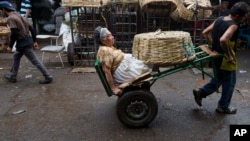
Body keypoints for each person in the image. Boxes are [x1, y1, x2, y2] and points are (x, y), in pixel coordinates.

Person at [192, 2, 249, 114]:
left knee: (219, 78)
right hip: (225, 59)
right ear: (237, 15)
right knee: (229, 82)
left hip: (216, 56)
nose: (244, 18)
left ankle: (201, 92)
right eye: (243, 16)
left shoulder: (220, 19)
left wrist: (213, 45)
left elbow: (205, 33)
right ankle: (223, 106)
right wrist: (228, 55)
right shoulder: (233, 25)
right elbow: (223, 40)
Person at [0, 1, 53, 84]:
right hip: (26, 40)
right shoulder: (18, 15)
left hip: (23, 43)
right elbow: (31, 28)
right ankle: (13, 76)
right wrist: (34, 40)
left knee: (35, 60)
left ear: (3, 9)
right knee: (16, 57)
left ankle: (48, 76)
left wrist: (10, 46)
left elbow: (14, 33)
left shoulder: (11, 18)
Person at [94, 26, 151, 95]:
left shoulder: (107, 47)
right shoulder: (104, 50)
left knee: (146, 61)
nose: (112, 37)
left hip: (126, 67)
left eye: (111, 35)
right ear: (103, 40)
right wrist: (113, 88)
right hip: (123, 72)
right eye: (109, 36)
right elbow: (107, 70)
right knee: (147, 64)